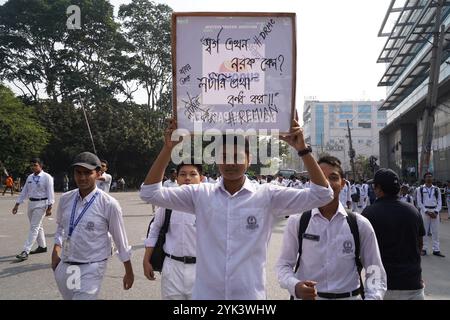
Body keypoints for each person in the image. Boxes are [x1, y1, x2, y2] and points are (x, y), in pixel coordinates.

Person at [139, 118, 334, 300]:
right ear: (216, 160)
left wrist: (302, 149)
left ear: (249, 159)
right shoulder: (200, 195)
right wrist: (167, 148)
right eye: (224, 156)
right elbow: (149, 194)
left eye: (236, 156)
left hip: (249, 296)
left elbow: (323, 195)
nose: (230, 162)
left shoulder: (267, 196)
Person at [276, 156, 386, 300]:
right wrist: (295, 286)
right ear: (311, 183)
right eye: (320, 176)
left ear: (343, 184)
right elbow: (284, 265)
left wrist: (373, 297)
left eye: (333, 177)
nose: (326, 183)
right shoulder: (298, 221)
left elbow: (375, 270)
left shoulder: (360, 224)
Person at [51, 152, 134, 300]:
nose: (82, 177)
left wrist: (128, 270)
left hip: (92, 267)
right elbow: (60, 227)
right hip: (67, 266)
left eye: (88, 173)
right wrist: (55, 251)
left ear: (98, 174)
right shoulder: (66, 199)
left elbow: (120, 240)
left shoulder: (108, 204)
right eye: (78, 172)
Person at [363, 169, 425, 300]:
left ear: (378, 188)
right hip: (412, 284)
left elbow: (360, 252)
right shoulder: (413, 211)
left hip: (380, 287)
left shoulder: (368, 213)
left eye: (374, 186)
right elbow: (419, 245)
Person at [143, 161, 201, 300]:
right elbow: (155, 228)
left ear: (201, 178)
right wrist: (146, 260)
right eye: (183, 174)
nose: (187, 178)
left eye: (193, 174)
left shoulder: (209, 203)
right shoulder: (168, 201)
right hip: (172, 267)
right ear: (177, 178)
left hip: (201, 269)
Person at [12, 158, 54, 261]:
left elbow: (50, 193)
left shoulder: (47, 177)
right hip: (31, 203)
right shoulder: (30, 177)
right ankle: (42, 246)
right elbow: (24, 191)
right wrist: (17, 204)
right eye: (31, 165)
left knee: (34, 227)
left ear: (40, 165)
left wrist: (50, 207)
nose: (33, 167)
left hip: (41, 203)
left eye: (35, 165)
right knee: (37, 226)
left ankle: (25, 251)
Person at [416, 172, 444, 257]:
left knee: (435, 231)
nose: (429, 178)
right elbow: (419, 202)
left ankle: (436, 249)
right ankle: (424, 249)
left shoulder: (436, 189)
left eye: (430, 177)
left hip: (435, 211)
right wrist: (426, 211)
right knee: (424, 231)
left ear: (432, 179)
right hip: (425, 212)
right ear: (424, 178)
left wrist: (436, 211)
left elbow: (440, 202)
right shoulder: (419, 189)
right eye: (427, 177)